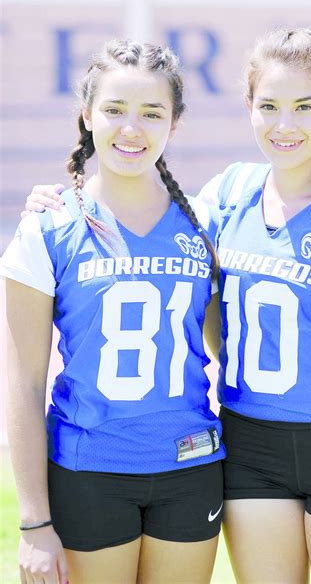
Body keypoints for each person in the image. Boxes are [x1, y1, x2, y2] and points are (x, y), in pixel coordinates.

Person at [22, 27, 311, 583]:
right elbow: (203, 303)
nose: (285, 124)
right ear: (250, 109)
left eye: (305, 106)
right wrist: (53, 197)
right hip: (249, 445)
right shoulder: (226, 196)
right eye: (270, 106)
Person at [1, 40, 225, 584]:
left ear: (174, 123)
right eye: (115, 110)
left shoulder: (204, 226)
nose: (133, 128)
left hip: (190, 467)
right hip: (88, 471)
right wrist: (34, 523)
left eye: (152, 113)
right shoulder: (47, 227)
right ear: (87, 115)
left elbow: (230, 350)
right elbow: (23, 384)